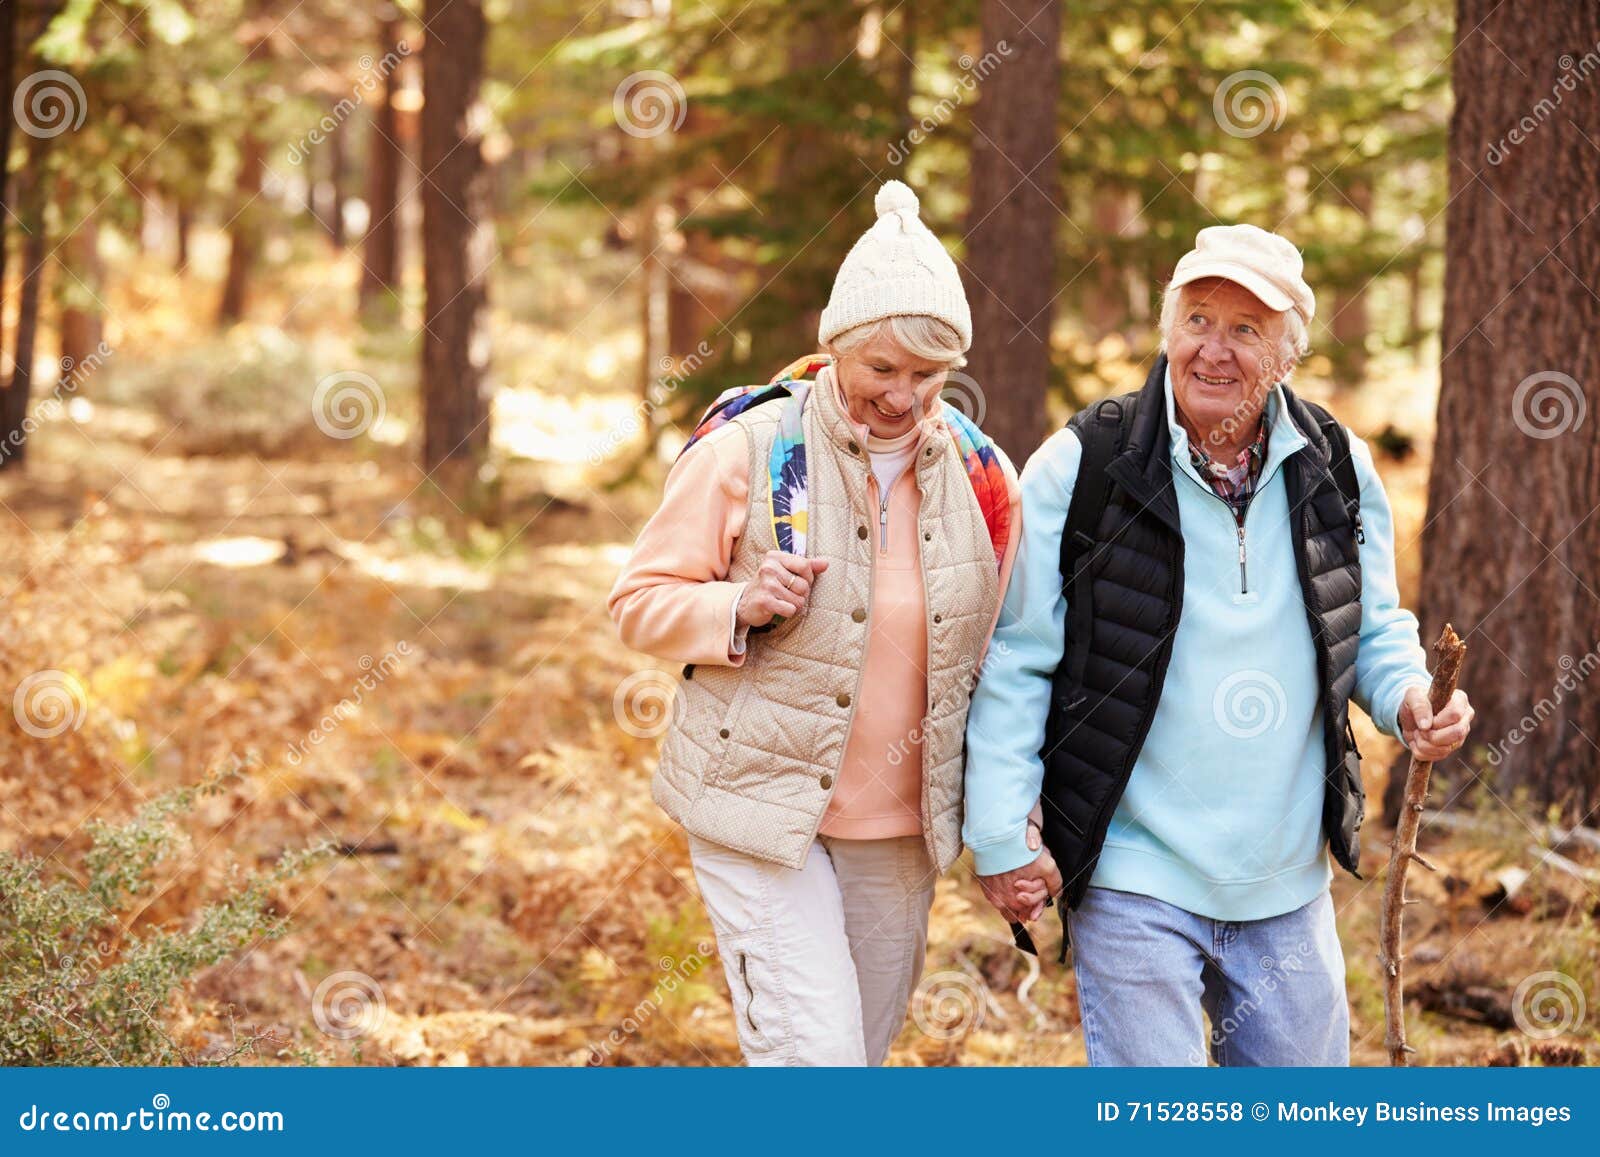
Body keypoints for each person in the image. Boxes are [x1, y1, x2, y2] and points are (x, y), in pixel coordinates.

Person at [962, 223, 1474, 1066]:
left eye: (1246, 329)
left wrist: (1411, 699)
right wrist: (998, 831)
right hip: (1133, 869)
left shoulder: (1336, 465)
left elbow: (1372, 625)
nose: (1215, 350)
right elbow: (1018, 656)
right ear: (1168, 331)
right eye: (1199, 319)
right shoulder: (1083, 463)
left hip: (1286, 879)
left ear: (1287, 352)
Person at [609, 180, 1022, 1065]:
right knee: (815, 1065)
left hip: (900, 832)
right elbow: (637, 603)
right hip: (757, 809)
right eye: (882, 369)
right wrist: (737, 605)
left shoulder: (983, 478)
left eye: (927, 375)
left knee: (853, 1068)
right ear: (834, 348)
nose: (904, 397)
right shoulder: (747, 451)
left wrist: (1008, 817)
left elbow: (1006, 660)